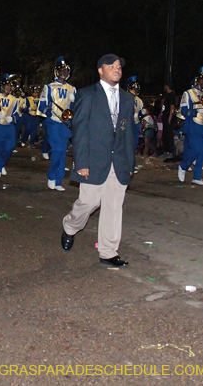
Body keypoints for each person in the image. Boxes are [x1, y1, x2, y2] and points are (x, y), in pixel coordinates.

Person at [60, 54, 135, 268]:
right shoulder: (87, 95)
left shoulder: (128, 99)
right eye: (111, 66)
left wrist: (130, 164)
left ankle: (108, 252)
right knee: (89, 202)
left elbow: (129, 134)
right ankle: (70, 226)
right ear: (100, 70)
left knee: (113, 206)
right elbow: (80, 129)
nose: (116, 69)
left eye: (119, 66)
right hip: (93, 160)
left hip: (118, 160)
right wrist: (81, 161)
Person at [39, 57, 75, 191]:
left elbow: (75, 107)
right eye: (62, 70)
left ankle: (58, 180)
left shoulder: (72, 88)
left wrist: (73, 104)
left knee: (62, 151)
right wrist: (49, 112)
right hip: (53, 122)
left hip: (65, 124)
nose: (64, 73)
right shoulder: (49, 87)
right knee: (57, 150)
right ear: (57, 72)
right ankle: (52, 176)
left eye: (66, 70)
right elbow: (42, 105)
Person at [178, 71, 203, 186]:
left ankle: (197, 176)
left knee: (202, 152)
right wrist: (195, 111)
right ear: (197, 81)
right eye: (201, 80)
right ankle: (183, 165)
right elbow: (183, 111)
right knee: (195, 150)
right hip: (193, 125)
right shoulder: (188, 94)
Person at [0, 75, 20, 178]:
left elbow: (18, 114)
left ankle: (1, 164)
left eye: (10, 86)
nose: (8, 88)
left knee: (10, 147)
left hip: (9, 126)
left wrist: (13, 118)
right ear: (2, 86)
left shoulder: (14, 99)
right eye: (6, 86)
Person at [126, 76, 143, 152]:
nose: (135, 91)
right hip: (127, 121)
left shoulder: (139, 100)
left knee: (135, 138)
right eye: (134, 89)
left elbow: (140, 112)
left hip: (135, 122)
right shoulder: (124, 97)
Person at [160, 82, 176, 157]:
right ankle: (165, 150)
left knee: (169, 135)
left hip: (168, 118)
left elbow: (172, 108)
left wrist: (169, 118)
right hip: (165, 116)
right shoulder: (167, 95)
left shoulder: (171, 95)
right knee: (165, 134)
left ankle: (170, 151)